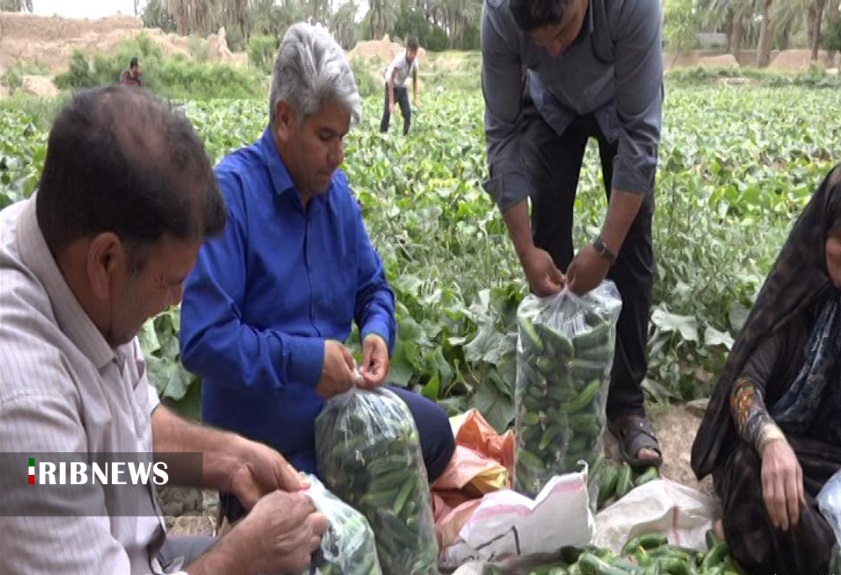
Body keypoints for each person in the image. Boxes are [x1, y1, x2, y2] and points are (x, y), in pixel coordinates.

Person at [0, 85, 328, 575]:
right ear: (106, 260)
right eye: (170, 282)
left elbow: (126, 433)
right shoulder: (22, 400)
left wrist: (229, 458)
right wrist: (243, 556)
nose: (177, 299)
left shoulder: (76, 261)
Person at [179, 23, 455, 524]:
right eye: (326, 137)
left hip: (336, 415)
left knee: (435, 432)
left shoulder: (336, 194)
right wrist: (303, 361)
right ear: (284, 119)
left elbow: (374, 288)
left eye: (343, 138)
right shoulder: (231, 195)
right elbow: (203, 340)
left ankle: (333, 496)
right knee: (318, 534)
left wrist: (376, 331)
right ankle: (285, 503)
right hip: (267, 436)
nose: (338, 155)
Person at [480, 0, 664, 468]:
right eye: (539, 43)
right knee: (547, 234)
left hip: (618, 101)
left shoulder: (632, 7)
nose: (555, 50)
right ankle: (552, 391)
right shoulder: (500, 12)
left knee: (632, 248)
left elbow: (641, 141)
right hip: (547, 104)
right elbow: (501, 136)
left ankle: (625, 405)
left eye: (562, 32)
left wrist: (605, 249)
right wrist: (526, 251)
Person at [691, 166, 841, 575]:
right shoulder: (796, 299)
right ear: (823, 232)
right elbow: (745, 387)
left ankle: (759, 540)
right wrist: (772, 442)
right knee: (747, 471)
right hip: (782, 457)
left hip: (833, 465)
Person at [379, 35, 421, 136]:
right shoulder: (400, 60)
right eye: (410, 52)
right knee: (387, 112)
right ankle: (382, 135)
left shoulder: (415, 62)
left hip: (402, 86)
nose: (412, 55)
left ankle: (405, 135)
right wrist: (391, 103)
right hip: (391, 84)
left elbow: (415, 80)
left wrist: (415, 97)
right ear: (407, 50)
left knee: (407, 113)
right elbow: (390, 79)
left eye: (414, 53)